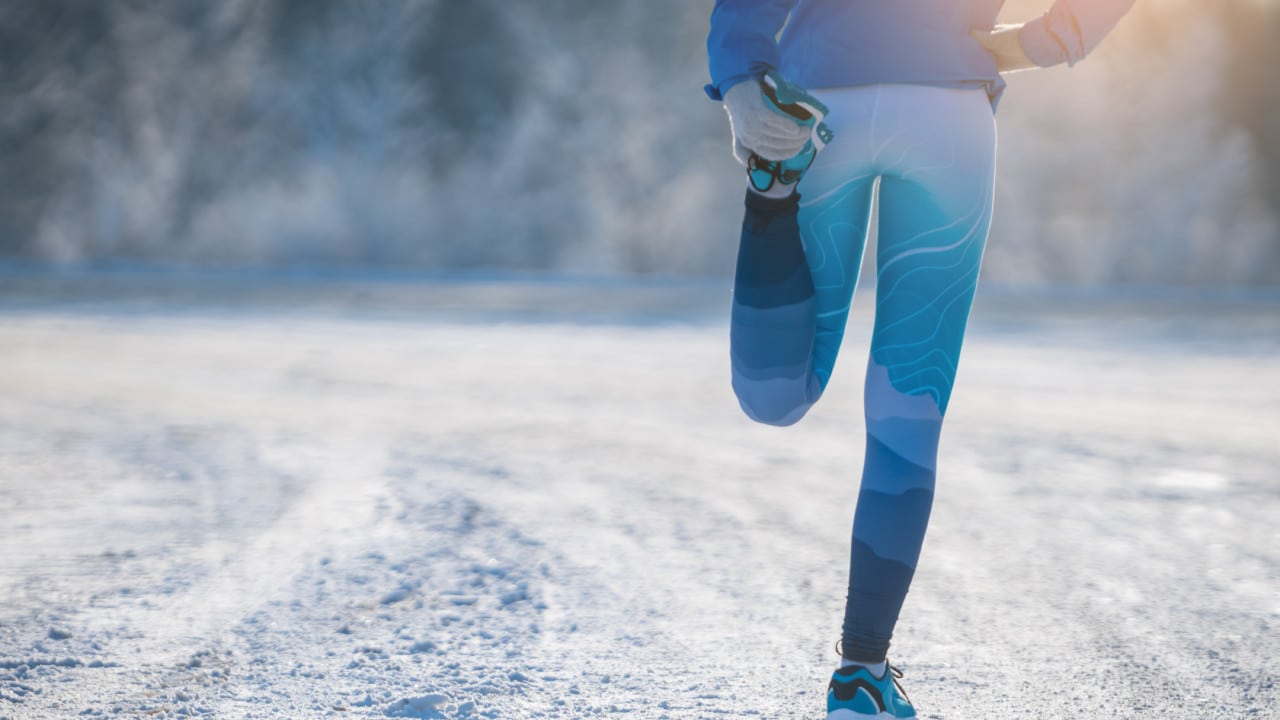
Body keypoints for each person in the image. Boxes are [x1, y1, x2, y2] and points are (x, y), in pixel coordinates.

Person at [706, 2, 1136, 718]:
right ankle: (859, 675)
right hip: (948, 116)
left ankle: (771, 194)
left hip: (819, 106)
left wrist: (742, 82)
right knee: (908, 412)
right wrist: (1043, 40)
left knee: (773, 397)